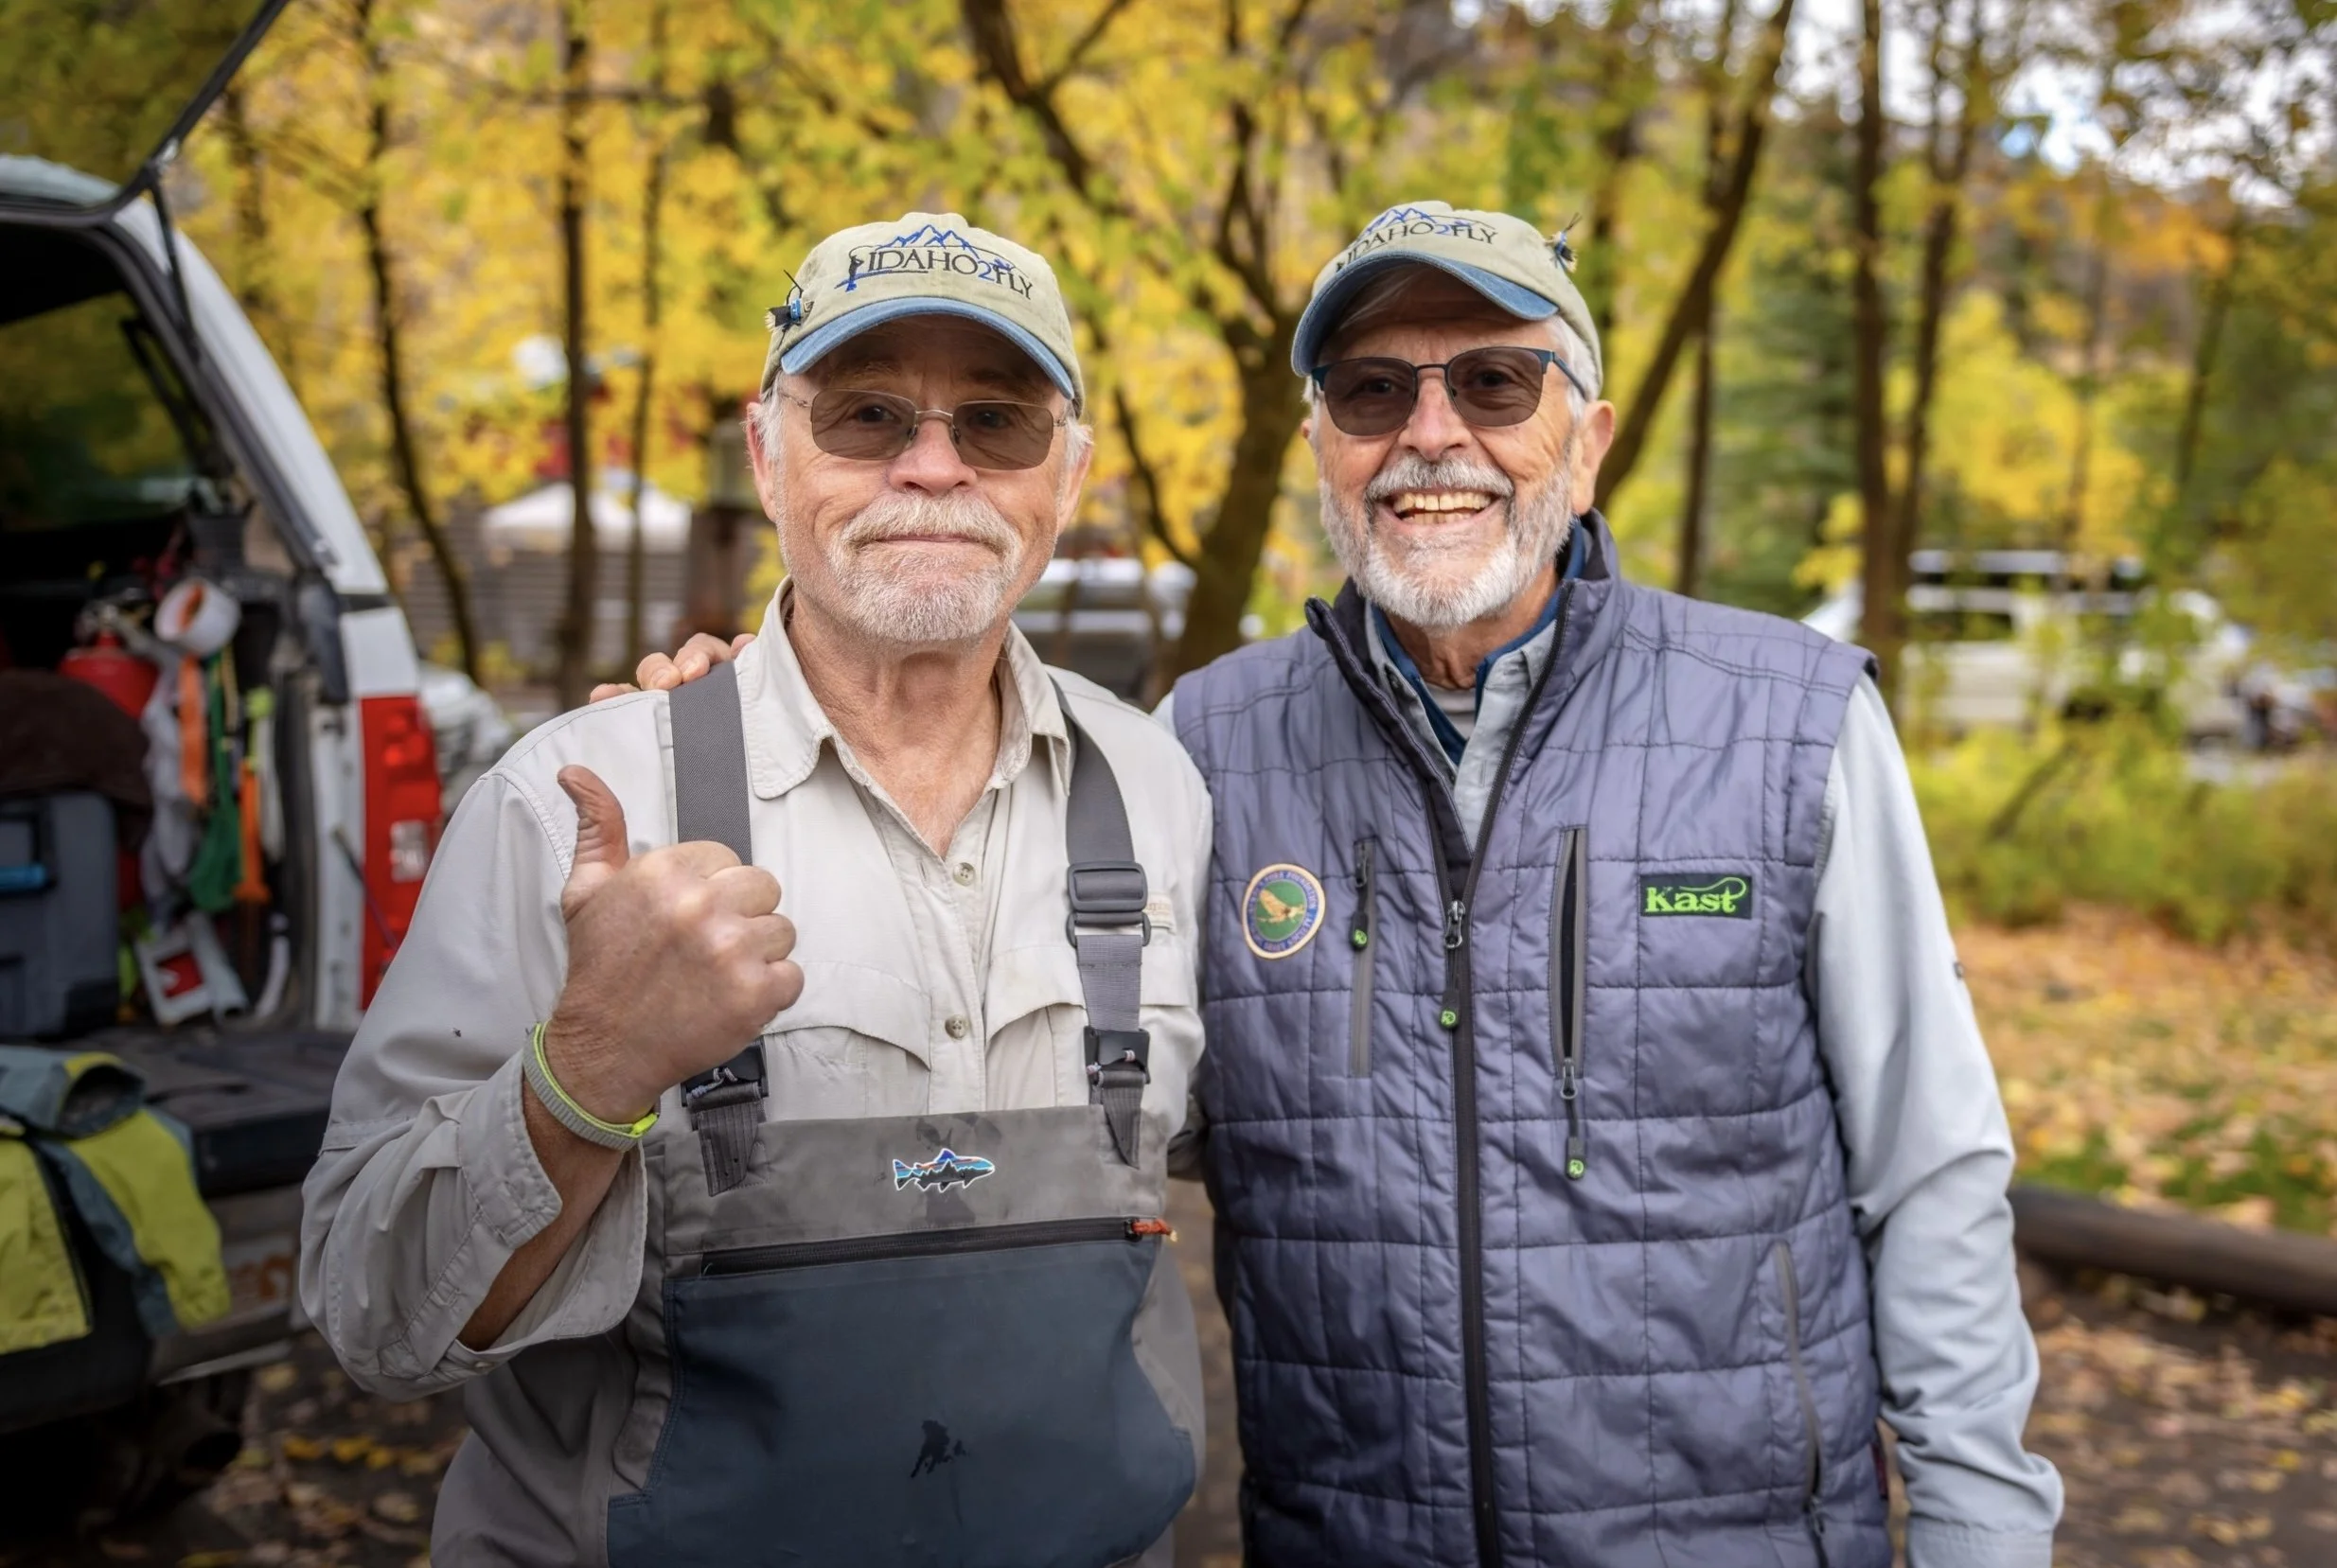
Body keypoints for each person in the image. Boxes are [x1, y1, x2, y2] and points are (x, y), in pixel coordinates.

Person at [631, 201, 2062, 1568]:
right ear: (1322, 443)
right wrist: (747, 719)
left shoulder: (1791, 721)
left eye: (1495, 382)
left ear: (1589, 441)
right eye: (1374, 391)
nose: (1432, 434)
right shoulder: (1201, 748)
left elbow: (1930, 1169)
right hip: (1350, 1539)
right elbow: (1044, 1079)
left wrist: (1982, 1530)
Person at [301, 214, 1210, 1568]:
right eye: (866, 414)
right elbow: (375, 1321)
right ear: (765, 454)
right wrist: (590, 1069)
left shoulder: (1159, 790)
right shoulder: (575, 806)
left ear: (1067, 474)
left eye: (997, 422)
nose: (934, 467)